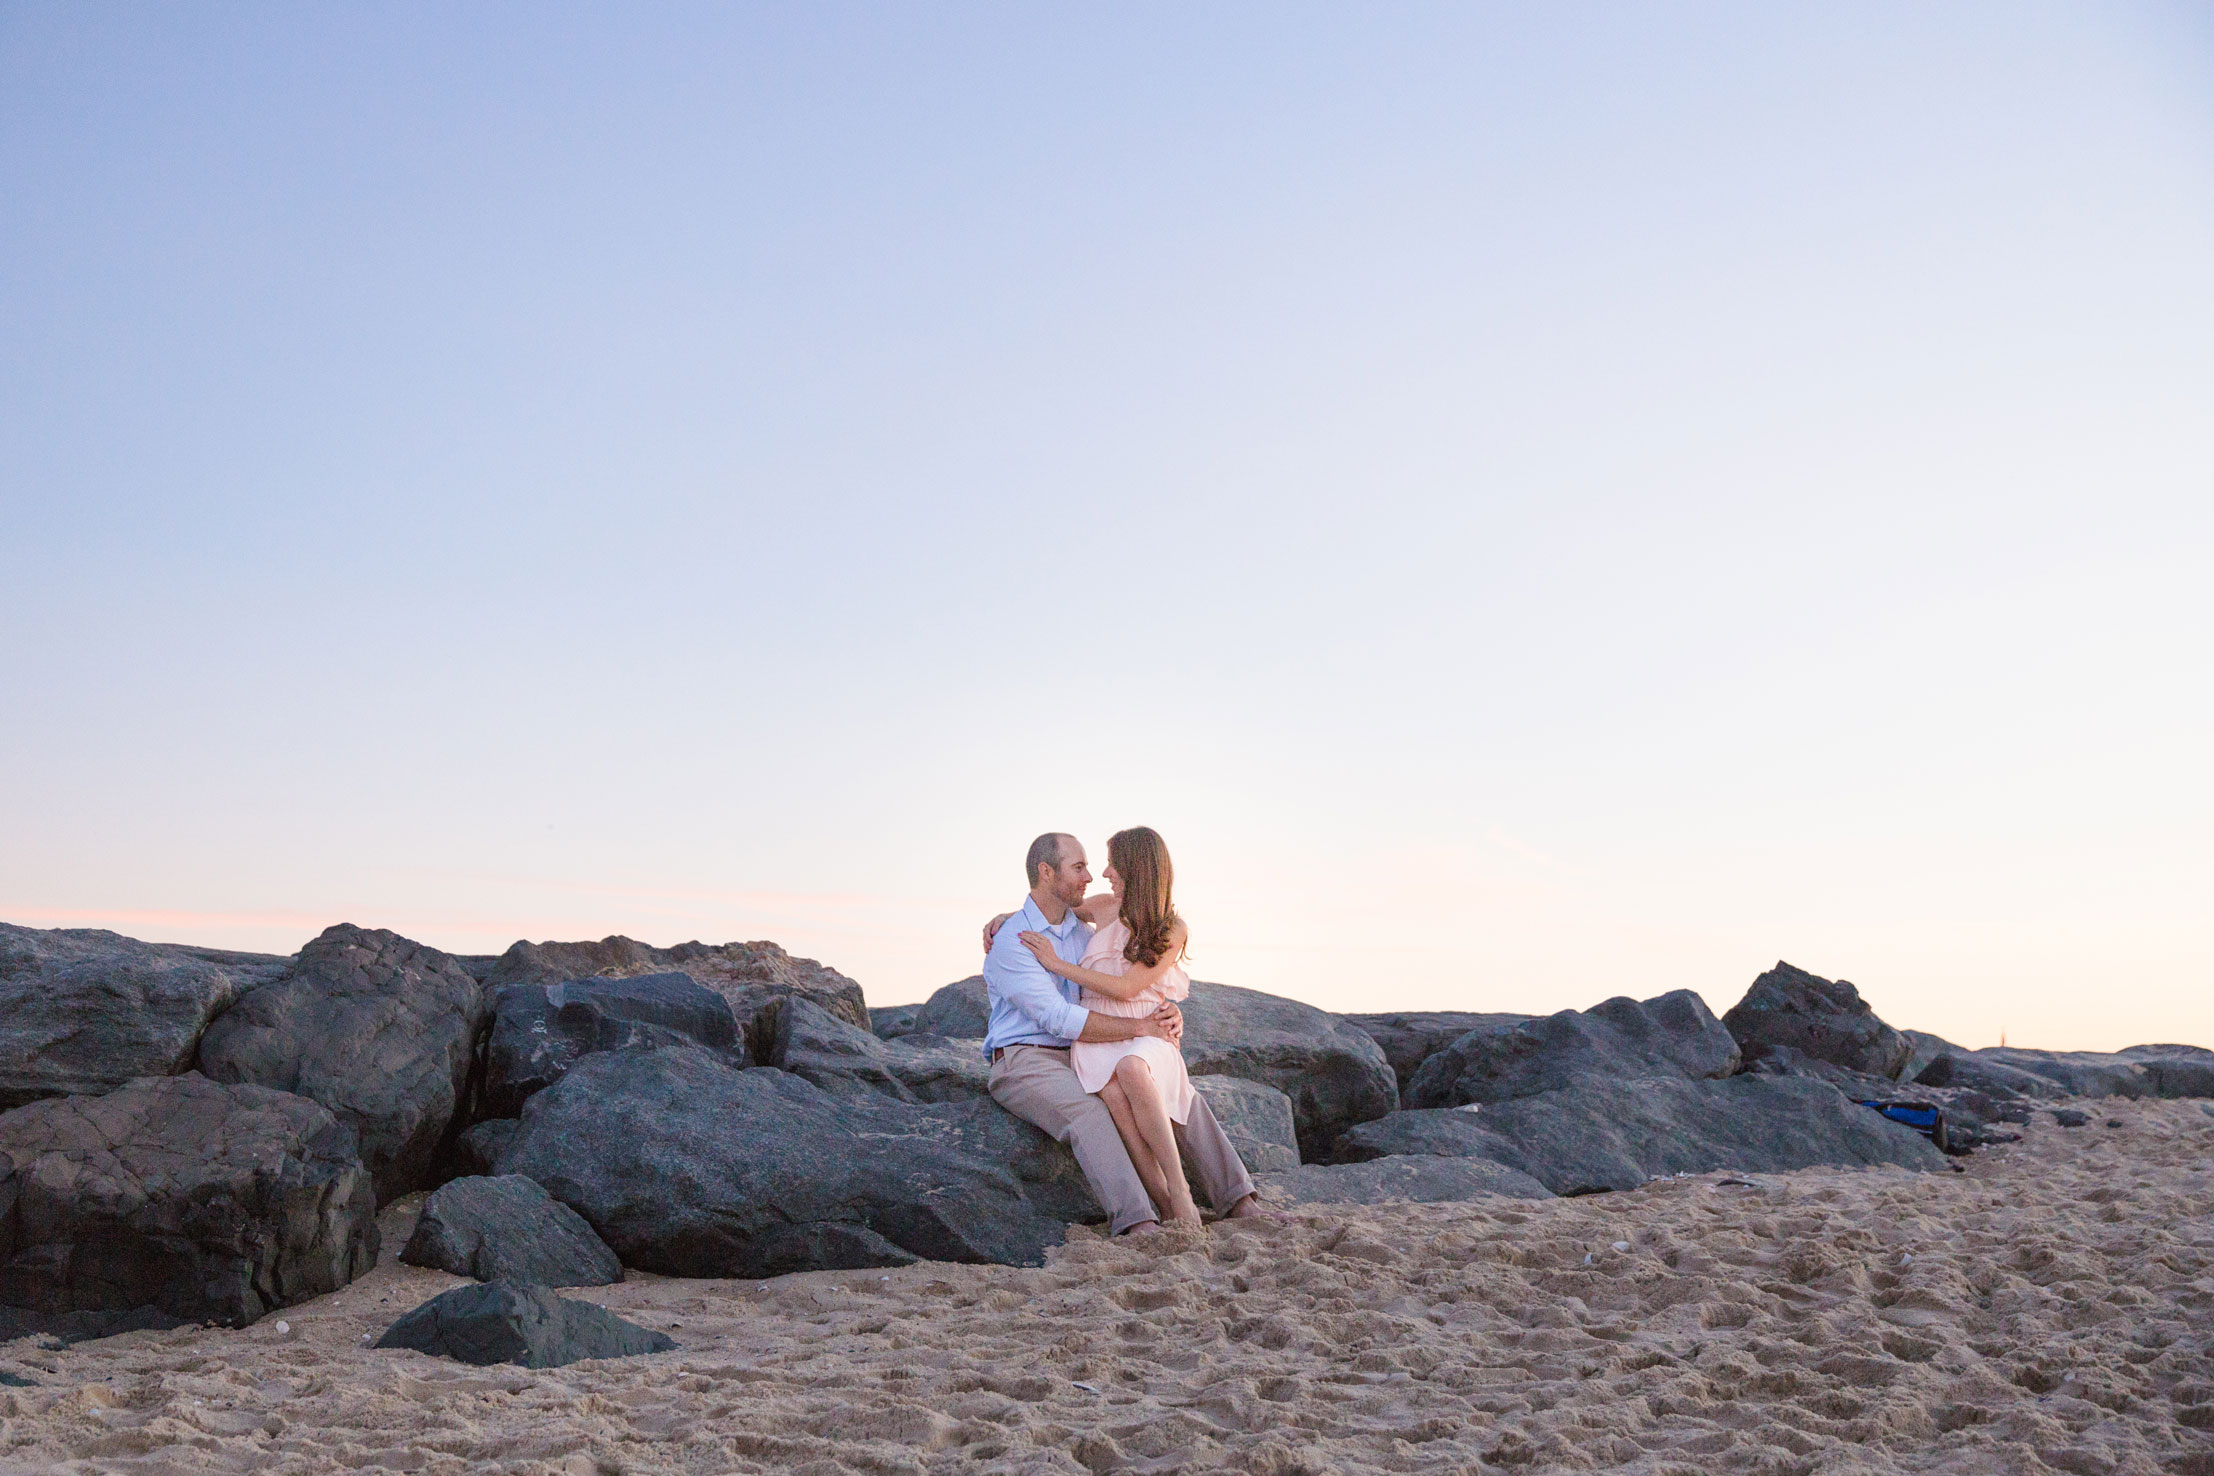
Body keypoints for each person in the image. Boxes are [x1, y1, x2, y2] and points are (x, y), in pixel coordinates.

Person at [982, 831, 1272, 1236]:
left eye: (1096, 865)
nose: (1093, 875)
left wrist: (1164, 1015)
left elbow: (1127, 982)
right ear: (1047, 872)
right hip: (1026, 1057)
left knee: (1167, 1088)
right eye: (1079, 866)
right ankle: (1142, 1219)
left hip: (1085, 1045)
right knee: (1094, 1110)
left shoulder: (1083, 930)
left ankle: (1237, 1198)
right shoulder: (1015, 942)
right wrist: (1141, 1026)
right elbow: (1058, 1017)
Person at [1018, 826, 1199, 1225]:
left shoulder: (1173, 927)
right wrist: (1005, 917)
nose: (1104, 873)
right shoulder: (1101, 906)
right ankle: (1164, 1205)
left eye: (1113, 863)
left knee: (1132, 1069)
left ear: (1136, 868)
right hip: (1099, 1032)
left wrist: (1058, 965)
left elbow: (1127, 987)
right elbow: (1048, 902)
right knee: (1114, 1097)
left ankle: (1180, 1188)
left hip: (1142, 1028)